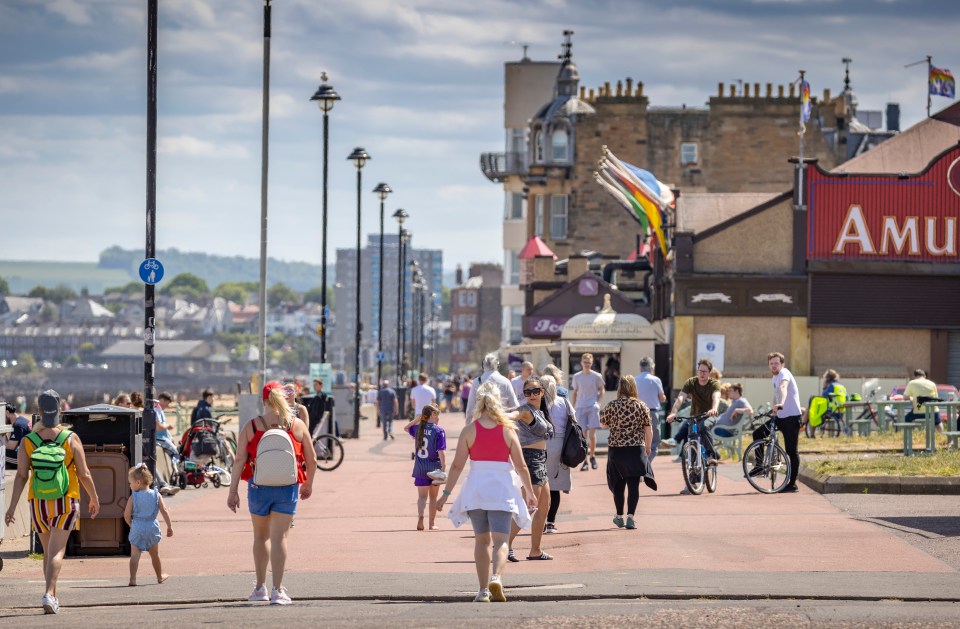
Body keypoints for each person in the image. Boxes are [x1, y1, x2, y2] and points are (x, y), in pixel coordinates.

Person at [437, 382, 537, 603]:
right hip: (501, 489)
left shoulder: (469, 430)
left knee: (481, 541)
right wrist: (529, 492)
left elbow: (456, 466)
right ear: (498, 402)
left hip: (477, 489)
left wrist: (445, 495)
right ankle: (497, 578)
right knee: (501, 540)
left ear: (477, 402)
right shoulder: (508, 430)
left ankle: (482, 591)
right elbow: (521, 466)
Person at [4, 390, 100, 615]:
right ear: (59, 410)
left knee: (48, 553)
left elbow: (20, 476)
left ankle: (53, 596)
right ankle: (48, 593)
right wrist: (94, 497)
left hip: (38, 503)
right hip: (65, 501)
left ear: (38, 412)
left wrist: (10, 507)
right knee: (58, 552)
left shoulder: (28, 441)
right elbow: (84, 473)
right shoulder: (70, 438)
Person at [227, 381, 317, 605]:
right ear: (284, 399)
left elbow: (239, 460)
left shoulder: (252, 426)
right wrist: (308, 485)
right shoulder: (296, 425)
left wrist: (233, 491)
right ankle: (278, 590)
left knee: (260, 537)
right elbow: (312, 459)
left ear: (263, 401)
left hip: (258, 487)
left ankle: (260, 588)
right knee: (280, 538)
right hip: (287, 487)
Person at [507, 375, 554, 562]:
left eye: (536, 391)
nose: (532, 395)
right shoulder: (525, 410)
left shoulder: (539, 411)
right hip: (530, 460)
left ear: (542, 392)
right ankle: (504, 544)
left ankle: (535, 550)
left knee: (544, 506)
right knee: (529, 507)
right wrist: (498, 415)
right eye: (528, 392)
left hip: (540, 459)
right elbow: (513, 414)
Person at [600, 376, 653, 530]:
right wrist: (648, 447)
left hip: (617, 450)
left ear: (620, 388)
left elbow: (603, 425)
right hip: (636, 449)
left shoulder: (612, 405)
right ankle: (630, 517)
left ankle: (619, 516)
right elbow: (648, 430)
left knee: (618, 484)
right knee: (634, 485)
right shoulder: (641, 405)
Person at [748, 352, 802, 493]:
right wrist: (774, 409)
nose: (774, 366)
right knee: (758, 433)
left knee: (791, 450)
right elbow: (776, 393)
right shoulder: (775, 377)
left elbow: (783, 388)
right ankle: (759, 465)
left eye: (776, 363)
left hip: (791, 417)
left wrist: (781, 404)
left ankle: (792, 484)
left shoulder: (784, 374)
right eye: (771, 363)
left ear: (782, 364)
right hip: (780, 417)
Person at [124, 463, 173, 586]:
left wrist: (131, 524)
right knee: (155, 554)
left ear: (138, 482)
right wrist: (169, 526)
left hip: (137, 526)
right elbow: (164, 510)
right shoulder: (156, 494)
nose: (130, 486)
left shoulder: (133, 497)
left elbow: (126, 515)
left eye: (130, 483)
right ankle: (159, 576)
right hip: (152, 526)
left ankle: (133, 579)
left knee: (135, 555)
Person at [665, 358, 721, 464]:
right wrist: (673, 412)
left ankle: (711, 455)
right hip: (695, 416)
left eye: (704, 371)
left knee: (703, 427)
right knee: (691, 439)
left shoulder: (714, 384)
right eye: (700, 371)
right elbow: (681, 398)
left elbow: (716, 397)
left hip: (709, 415)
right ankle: (693, 473)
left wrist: (714, 409)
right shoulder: (691, 382)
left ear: (709, 373)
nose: (702, 374)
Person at [402, 404, 446, 531]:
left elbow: (406, 428)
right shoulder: (439, 430)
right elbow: (441, 451)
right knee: (433, 497)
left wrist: (417, 420)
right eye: (437, 415)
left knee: (422, 497)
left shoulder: (418, 428)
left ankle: (421, 517)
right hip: (434, 467)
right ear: (432, 415)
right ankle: (431, 524)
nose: (438, 418)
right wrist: (444, 466)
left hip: (420, 467)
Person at [541, 374, 573, 535]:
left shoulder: (539, 404)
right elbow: (574, 421)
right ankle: (551, 522)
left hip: (542, 445)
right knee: (555, 488)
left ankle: (540, 521)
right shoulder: (564, 401)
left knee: (541, 486)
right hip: (561, 446)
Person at [570, 353, 605, 471]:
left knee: (592, 435)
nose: (586, 364)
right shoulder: (577, 376)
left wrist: (599, 403)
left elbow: (602, 389)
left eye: (588, 362)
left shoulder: (596, 376)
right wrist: (573, 407)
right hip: (580, 407)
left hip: (592, 406)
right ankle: (584, 460)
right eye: (585, 362)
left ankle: (592, 456)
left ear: (591, 363)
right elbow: (575, 392)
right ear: (581, 363)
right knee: (583, 435)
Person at [464, 353, 519, 420]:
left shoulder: (476, 382)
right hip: (501, 421)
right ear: (497, 365)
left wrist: (468, 425)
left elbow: (470, 408)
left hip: (481, 423)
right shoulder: (506, 381)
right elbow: (515, 406)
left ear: (483, 366)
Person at [634, 357, 666, 462]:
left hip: (637, 413)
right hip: (652, 412)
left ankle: (639, 463)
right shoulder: (656, 380)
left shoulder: (634, 380)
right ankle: (646, 464)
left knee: (639, 440)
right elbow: (662, 398)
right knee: (654, 441)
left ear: (640, 368)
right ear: (652, 367)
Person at [154, 393, 181, 496]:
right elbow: (159, 427)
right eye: (166, 403)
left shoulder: (159, 409)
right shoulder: (156, 409)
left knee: (175, 454)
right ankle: (173, 476)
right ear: (162, 400)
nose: (166, 406)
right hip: (160, 439)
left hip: (164, 438)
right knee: (175, 454)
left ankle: (170, 478)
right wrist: (168, 426)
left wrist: (170, 437)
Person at [904, 369, 943, 434]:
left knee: (906, 420)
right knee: (938, 423)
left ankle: (909, 436)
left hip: (918, 412)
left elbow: (905, 397)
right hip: (933, 412)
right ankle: (942, 436)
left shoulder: (912, 383)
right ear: (924, 376)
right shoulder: (932, 383)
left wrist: (912, 398)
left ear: (915, 376)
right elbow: (936, 398)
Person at [5, 402, 31, 470]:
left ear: (7, 413)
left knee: (2, 455)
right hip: (30, 455)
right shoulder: (21, 420)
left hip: (28, 460)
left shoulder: (18, 425)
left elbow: (10, 447)